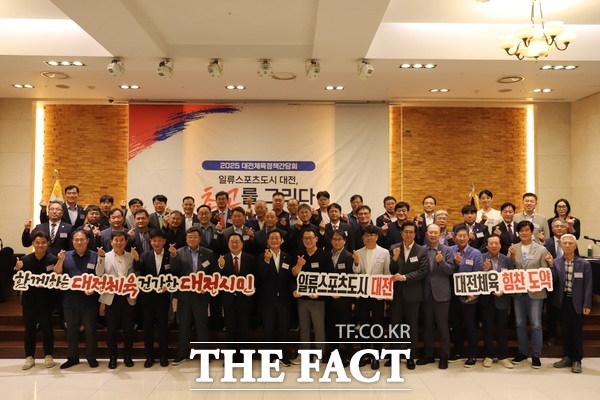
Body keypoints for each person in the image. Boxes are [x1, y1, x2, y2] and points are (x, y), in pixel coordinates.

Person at [15, 231, 64, 370]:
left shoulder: (53, 259)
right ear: (33, 244)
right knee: (29, 329)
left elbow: (58, 276)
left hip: (47, 301)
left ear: (48, 243)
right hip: (29, 301)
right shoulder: (25, 260)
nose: (40, 245)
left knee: (47, 329)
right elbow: (18, 279)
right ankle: (29, 357)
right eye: (37, 242)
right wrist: (17, 269)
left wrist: (60, 261)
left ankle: (48, 355)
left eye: (43, 243)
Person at [169, 227, 217, 365]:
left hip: (201, 294)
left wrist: (207, 287)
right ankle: (182, 353)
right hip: (184, 295)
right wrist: (173, 256)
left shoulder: (208, 253)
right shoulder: (178, 252)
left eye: (195, 237)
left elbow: (212, 273)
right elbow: (175, 270)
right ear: (186, 239)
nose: (192, 239)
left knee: (202, 325)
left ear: (200, 238)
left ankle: (205, 354)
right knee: (183, 325)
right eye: (189, 237)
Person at [509, 220, 552, 369]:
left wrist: (537, 285)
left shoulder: (541, 249)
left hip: (536, 292)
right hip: (518, 292)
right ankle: (522, 352)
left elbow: (545, 271)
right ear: (518, 233)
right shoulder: (513, 248)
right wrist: (511, 257)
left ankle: (536, 355)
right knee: (519, 323)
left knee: (535, 324)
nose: (524, 233)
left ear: (532, 231)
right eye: (521, 231)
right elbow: (509, 269)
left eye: (526, 230)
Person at [550, 234, 593, 374]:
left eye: (570, 243)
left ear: (575, 246)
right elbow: (553, 280)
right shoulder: (556, 262)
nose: (567, 246)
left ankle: (577, 360)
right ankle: (567, 357)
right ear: (561, 245)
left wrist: (587, 304)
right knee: (565, 330)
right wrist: (550, 266)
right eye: (565, 243)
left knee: (576, 331)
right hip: (562, 301)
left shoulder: (584, 264)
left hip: (578, 302)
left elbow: (588, 286)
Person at [388, 221, 428, 370]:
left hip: (413, 294)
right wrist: (394, 259)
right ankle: (394, 356)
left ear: (415, 234)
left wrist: (404, 277)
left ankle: (410, 357)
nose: (408, 234)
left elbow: (423, 271)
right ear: (401, 233)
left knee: (412, 326)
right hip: (396, 294)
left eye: (411, 232)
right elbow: (391, 270)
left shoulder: (421, 250)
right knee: (395, 326)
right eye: (406, 232)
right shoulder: (394, 248)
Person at [96, 231, 139, 369]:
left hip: (127, 297)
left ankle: (128, 356)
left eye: (121, 240)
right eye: (116, 240)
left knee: (128, 329)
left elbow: (136, 275)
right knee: (111, 330)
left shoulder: (131, 256)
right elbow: (99, 273)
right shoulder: (105, 256)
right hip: (111, 297)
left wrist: (133, 291)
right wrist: (101, 258)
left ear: (126, 242)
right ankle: (113, 357)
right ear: (111, 242)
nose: (119, 243)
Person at [291, 228, 333, 364]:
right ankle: (303, 353)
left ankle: (318, 354)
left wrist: (320, 293)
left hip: (318, 299)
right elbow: (293, 274)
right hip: (302, 298)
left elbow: (330, 277)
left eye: (310, 238)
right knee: (304, 327)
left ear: (316, 239)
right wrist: (299, 265)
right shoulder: (299, 255)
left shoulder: (324, 255)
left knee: (319, 327)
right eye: (305, 238)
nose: (308, 240)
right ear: (302, 240)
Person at [59, 229, 100, 369]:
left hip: (89, 299)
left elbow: (101, 276)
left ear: (88, 240)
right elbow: (58, 273)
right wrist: (60, 260)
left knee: (90, 330)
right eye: (76, 240)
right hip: (69, 299)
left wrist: (94, 288)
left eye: (82, 239)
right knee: (71, 330)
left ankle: (91, 357)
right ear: (72, 241)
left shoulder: (95, 256)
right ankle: (72, 357)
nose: (79, 242)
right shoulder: (65, 256)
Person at [352, 225, 391, 370]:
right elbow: (356, 273)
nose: (369, 238)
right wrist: (356, 262)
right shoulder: (358, 252)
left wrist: (387, 295)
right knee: (364, 325)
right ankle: (364, 354)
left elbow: (387, 274)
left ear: (377, 237)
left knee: (377, 325)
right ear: (363, 238)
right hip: (362, 295)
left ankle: (376, 355)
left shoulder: (384, 252)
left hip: (377, 295)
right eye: (367, 236)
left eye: (372, 235)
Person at [417, 224, 454, 369]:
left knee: (443, 327)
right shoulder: (421, 250)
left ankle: (444, 356)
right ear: (426, 234)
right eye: (430, 232)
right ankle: (428, 355)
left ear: (440, 235)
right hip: (425, 293)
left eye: (435, 233)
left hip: (442, 294)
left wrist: (441, 262)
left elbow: (451, 270)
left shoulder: (447, 250)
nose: (433, 235)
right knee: (427, 326)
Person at [257, 229, 294, 366]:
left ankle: (283, 356)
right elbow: (260, 276)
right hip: (268, 300)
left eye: (277, 238)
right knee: (268, 329)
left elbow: (291, 278)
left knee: (284, 329)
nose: (274, 240)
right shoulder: (261, 256)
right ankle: (270, 356)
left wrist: (294, 290)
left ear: (282, 240)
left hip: (284, 299)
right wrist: (266, 261)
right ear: (267, 241)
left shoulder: (288, 257)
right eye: (271, 238)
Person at [136, 229, 171, 368]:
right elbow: (139, 273)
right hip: (147, 298)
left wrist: (168, 285)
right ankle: (149, 357)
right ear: (150, 242)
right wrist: (136, 261)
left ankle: (163, 356)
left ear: (164, 241)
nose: (157, 243)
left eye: (159, 240)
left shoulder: (170, 255)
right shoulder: (144, 256)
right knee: (148, 328)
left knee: (163, 327)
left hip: (163, 297)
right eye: (154, 240)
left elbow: (175, 273)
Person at [217, 233, 256, 361]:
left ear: (242, 244)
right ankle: (231, 357)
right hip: (229, 300)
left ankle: (245, 356)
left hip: (245, 299)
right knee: (230, 329)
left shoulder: (250, 259)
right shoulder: (222, 259)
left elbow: (255, 278)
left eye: (237, 242)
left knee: (245, 328)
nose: (234, 244)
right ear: (228, 244)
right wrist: (220, 266)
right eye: (232, 242)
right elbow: (215, 277)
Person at [450, 226, 484, 368]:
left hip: (469, 296)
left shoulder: (475, 253)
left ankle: (472, 354)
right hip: (453, 295)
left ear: (469, 237)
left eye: (464, 235)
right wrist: (455, 263)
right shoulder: (450, 250)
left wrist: (474, 294)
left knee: (470, 325)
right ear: (455, 237)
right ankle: (458, 352)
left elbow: (478, 274)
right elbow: (447, 271)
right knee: (456, 325)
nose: (462, 238)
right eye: (459, 235)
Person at [480, 235, 515, 369]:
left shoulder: (507, 260)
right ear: (487, 245)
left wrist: (503, 291)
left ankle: (503, 357)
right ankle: (488, 356)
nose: (494, 246)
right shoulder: (481, 258)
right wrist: (484, 270)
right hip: (487, 299)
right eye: (491, 243)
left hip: (502, 299)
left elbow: (511, 278)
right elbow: (476, 278)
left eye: (496, 243)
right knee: (487, 328)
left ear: (500, 245)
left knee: (502, 329)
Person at [326, 229, 356, 366]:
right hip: (329, 299)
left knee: (346, 328)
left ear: (344, 241)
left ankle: (348, 354)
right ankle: (334, 353)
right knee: (331, 328)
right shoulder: (327, 256)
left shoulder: (349, 257)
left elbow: (353, 279)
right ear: (331, 241)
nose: (337, 242)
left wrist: (349, 298)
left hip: (345, 300)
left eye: (340, 239)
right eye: (334, 239)